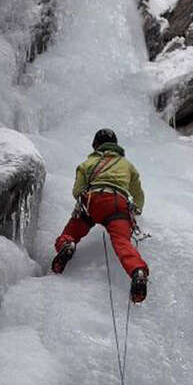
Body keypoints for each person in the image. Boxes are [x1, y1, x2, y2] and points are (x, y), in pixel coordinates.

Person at [51, 128, 149, 303]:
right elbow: (138, 194)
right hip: (118, 204)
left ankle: (67, 245)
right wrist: (137, 210)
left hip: (93, 201)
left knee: (71, 232)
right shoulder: (127, 165)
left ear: (96, 145)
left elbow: (77, 191)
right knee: (122, 243)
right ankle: (137, 271)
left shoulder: (87, 164)